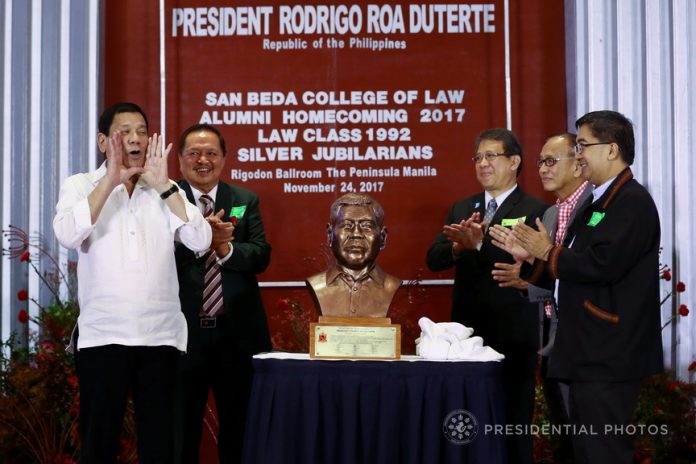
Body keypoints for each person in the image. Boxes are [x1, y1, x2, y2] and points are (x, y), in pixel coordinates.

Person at [53, 102, 211, 463]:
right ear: (103, 141)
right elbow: (67, 233)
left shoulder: (165, 188)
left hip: (160, 337)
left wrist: (165, 188)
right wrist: (110, 180)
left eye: (142, 131)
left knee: (160, 444)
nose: (136, 139)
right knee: (99, 442)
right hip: (103, 336)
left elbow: (200, 242)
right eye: (125, 131)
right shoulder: (81, 185)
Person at [509, 111, 663, 463]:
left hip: (608, 352)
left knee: (603, 451)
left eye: (583, 145)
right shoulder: (598, 202)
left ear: (611, 150)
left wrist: (547, 250)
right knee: (584, 450)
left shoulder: (632, 202)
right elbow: (571, 264)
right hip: (586, 349)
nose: (578, 155)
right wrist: (532, 260)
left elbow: (601, 264)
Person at [426, 128, 547, 464]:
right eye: (478, 157)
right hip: (465, 336)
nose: (482, 163)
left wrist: (478, 245)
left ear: (514, 162)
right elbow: (433, 259)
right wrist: (459, 245)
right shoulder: (464, 207)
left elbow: (532, 267)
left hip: (513, 334)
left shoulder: (536, 209)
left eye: (491, 156)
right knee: (466, 420)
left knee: (512, 420)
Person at [173, 123, 272, 464]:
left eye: (211, 153)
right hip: (183, 334)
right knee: (180, 430)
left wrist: (226, 248)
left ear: (224, 159)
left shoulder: (243, 201)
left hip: (236, 335)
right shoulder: (167, 202)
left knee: (239, 427)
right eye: (194, 153)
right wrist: (202, 243)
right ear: (181, 161)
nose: (203, 160)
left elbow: (260, 254)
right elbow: (157, 258)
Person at [490, 133, 591, 464]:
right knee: (563, 437)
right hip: (550, 336)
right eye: (541, 162)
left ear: (579, 164)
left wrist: (541, 257)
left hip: (585, 339)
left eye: (551, 161)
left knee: (586, 439)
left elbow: (589, 272)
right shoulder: (549, 215)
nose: (543, 169)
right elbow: (551, 281)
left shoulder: (595, 207)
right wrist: (526, 278)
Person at [306, 193, 401, 317]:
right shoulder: (317, 285)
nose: (356, 234)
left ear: (382, 237)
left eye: (366, 226)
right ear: (330, 235)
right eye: (347, 226)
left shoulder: (391, 286)